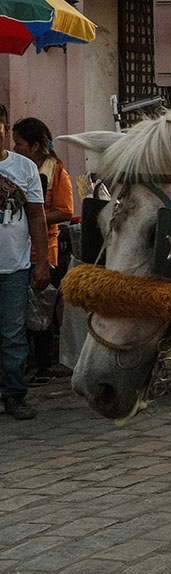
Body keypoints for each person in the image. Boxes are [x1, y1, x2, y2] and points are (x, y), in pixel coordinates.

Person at [12, 117, 74, 383]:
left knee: (40, 306)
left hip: (43, 247)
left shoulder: (57, 172)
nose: (16, 149)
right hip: (16, 247)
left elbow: (65, 211)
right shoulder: (16, 169)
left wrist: (34, 216)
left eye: (20, 144)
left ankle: (44, 365)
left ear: (36, 145)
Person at [0, 104, 51, 419]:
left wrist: (42, 262)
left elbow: (36, 216)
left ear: (4, 128)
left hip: (14, 267)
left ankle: (15, 396)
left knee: (13, 337)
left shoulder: (24, 168)